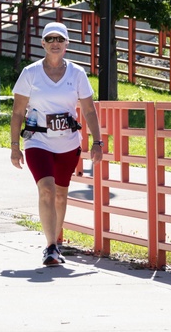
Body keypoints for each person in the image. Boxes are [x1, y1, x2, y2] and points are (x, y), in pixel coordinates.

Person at [10, 22, 103, 266]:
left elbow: (89, 110)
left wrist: (97, 141)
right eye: (50, 39)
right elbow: (17, 112)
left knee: (61, 194)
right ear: (43, 43)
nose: (55, 43)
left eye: (59, 39)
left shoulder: (77, 74)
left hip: (68, 143)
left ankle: (55, 244)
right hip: (37, 141)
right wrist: (14, 146)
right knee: (47, 189)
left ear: (66, 44)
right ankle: (50, 246)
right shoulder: (30, 73)